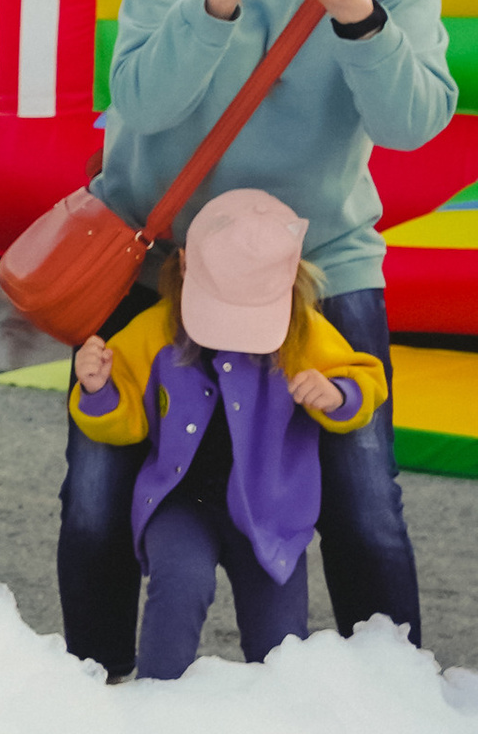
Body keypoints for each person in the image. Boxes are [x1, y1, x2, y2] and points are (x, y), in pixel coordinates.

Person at [57, 0, 452, 678]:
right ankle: (94, 697)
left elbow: (412, 124)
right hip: (160, 253)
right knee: (98, 494)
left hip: (320, 264)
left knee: (364, 505)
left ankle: (381, 712)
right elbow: (141, 100)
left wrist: (354, 10)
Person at [69, 186, 385, 680]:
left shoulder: (302, 332)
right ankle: (156, 701)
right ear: (184, 266)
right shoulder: (156, 331)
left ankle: (277, 713)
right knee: (180, 583)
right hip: (180, 504)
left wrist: (338, 394)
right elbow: (126, 421)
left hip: (271, 513)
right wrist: (98, 389)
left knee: (280, 641)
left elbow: (364, 378)